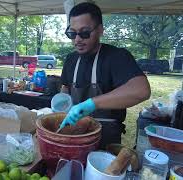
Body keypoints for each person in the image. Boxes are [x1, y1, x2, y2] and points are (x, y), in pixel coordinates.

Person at [59, 2, 151, 149]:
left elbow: (141, 90)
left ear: (100, 30)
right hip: (74, 136)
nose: (77, 39)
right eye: (72, 33)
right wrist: (62, 103)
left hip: (105, 138)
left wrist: (92, 104)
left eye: (84, 33)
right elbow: (65, 87)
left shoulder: (116, 57)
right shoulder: (71, 59)